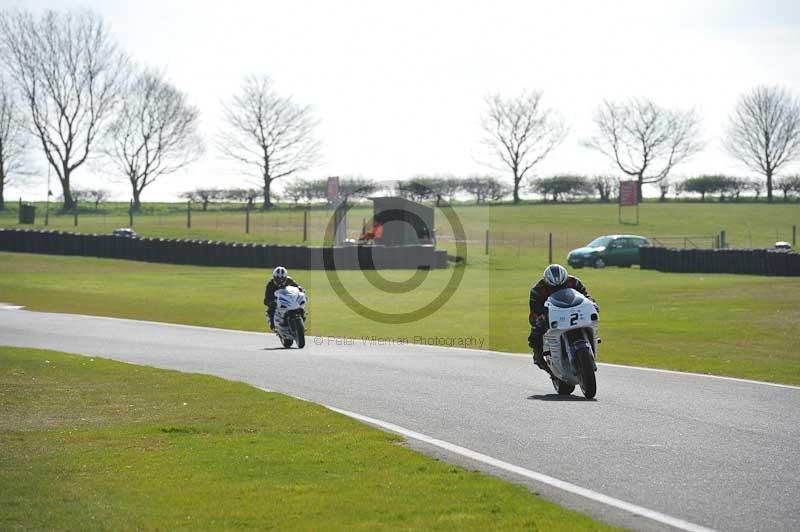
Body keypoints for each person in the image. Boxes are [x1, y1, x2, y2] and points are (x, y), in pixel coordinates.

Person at [527, 264, 595, 374]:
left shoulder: (574, 282)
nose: (558, 288)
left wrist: (592, 303)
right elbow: (534, 311)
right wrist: (539, 319)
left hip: (572, 310)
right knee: (535, 334)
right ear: (547, 282)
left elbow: (585, 296)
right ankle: (539, 356)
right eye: (554, 287)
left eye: (561, 285)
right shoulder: (537, 290)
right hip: (549, 314)